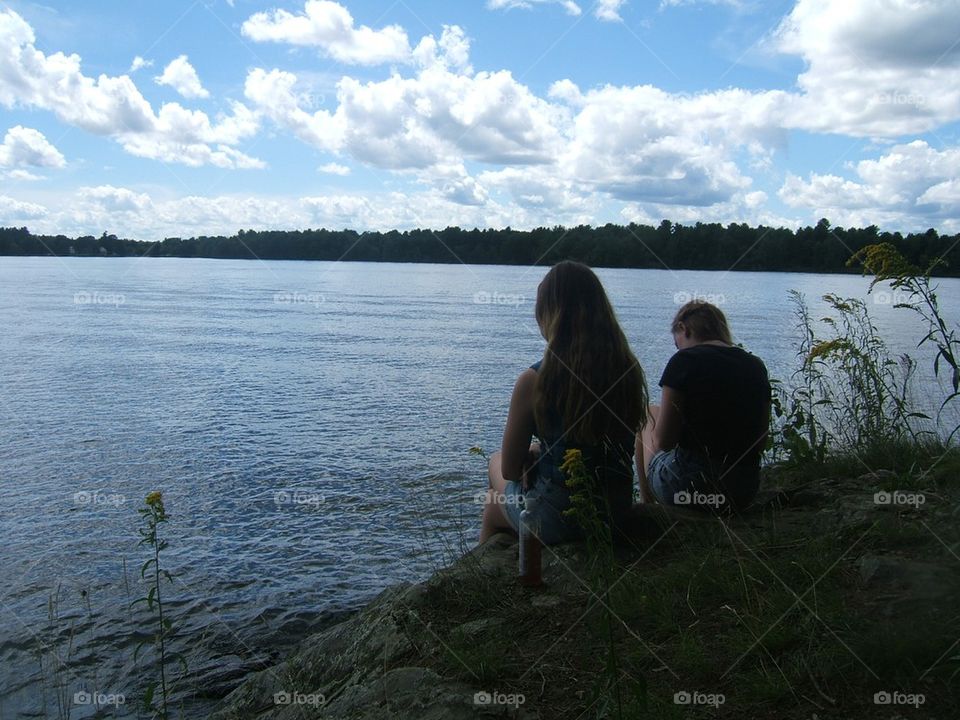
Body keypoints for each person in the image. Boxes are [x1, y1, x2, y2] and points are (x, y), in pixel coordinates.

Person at [479, 261, 648, 544]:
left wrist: (532, 453)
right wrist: (539, 450)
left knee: (493, 487)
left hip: (558, 519)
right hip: (616, 512)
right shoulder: (628, 370)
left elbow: (509, 470)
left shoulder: (535, 380)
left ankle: (496, 574)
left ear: (549, 313)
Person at [636, 300, 770, 512]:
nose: (678, 347)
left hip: (687, 490)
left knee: (649, 414)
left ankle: (647, 504)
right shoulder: (755, 365)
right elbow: (760, 442)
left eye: (676, 341)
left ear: (683, 328)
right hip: (742, 491)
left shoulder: (684, 361)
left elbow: (664, 441)